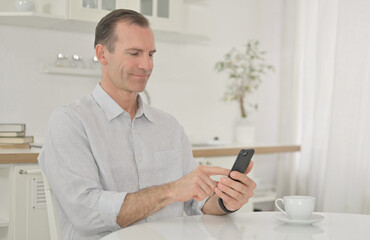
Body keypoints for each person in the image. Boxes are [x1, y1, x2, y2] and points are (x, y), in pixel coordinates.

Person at [38, 9, 256, 240]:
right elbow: (87, 215)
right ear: (102, 54)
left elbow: (197, 202)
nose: (146, 64)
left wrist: (226, 201)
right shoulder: (70, 122)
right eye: (134, 53)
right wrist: (171, 191)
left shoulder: (168, 126)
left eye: (151, 54)